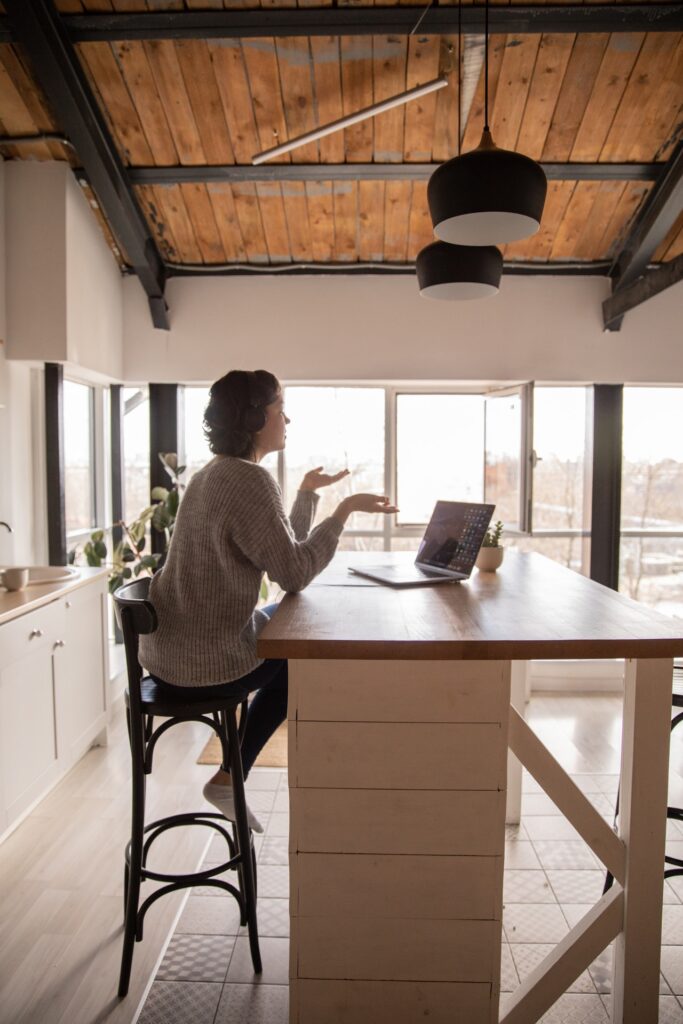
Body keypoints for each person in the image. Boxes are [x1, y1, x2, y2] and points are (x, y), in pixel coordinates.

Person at [139, 369, 398, 832]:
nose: (287, 419)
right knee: (301, 650)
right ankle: (236, 777)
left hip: (166, 653)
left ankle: (229, 776)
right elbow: (295, 574)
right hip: (205, 662)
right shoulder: (249, 481)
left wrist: (305, 494)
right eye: (281, 409)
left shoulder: (212, 474)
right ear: (256, 417)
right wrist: (343, 511)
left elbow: (281, 550)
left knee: (288, 626)